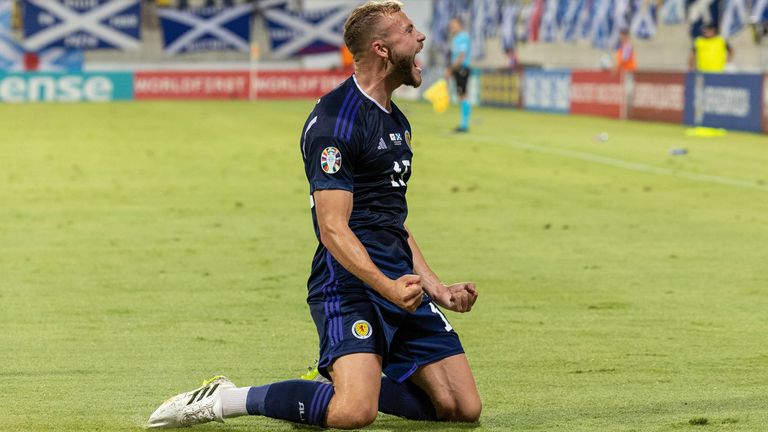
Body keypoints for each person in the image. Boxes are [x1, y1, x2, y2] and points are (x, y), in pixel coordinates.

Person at [147, 1, 482, 429]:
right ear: (381, 49)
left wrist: (437, 289)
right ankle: (227, 399)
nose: (421, 37)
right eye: (409, 30)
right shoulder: (334, 121)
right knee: (352, 412)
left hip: (401, 282)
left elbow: (391, 223)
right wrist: (386, 287)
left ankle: (340, 376)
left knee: (461, 408)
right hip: (349, 283)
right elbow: (332, 229)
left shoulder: (397, 122)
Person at [447, 17, 472, 132]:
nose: (452, 27)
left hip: (462, 68)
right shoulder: (455, 38)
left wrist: (451, 69)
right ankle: (463, 124)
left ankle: (464, 125)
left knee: (463, 95)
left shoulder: (463, 37)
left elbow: (461, 57)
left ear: (459, 25)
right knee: (461, 95)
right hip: (457, 69)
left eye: (454, 24)